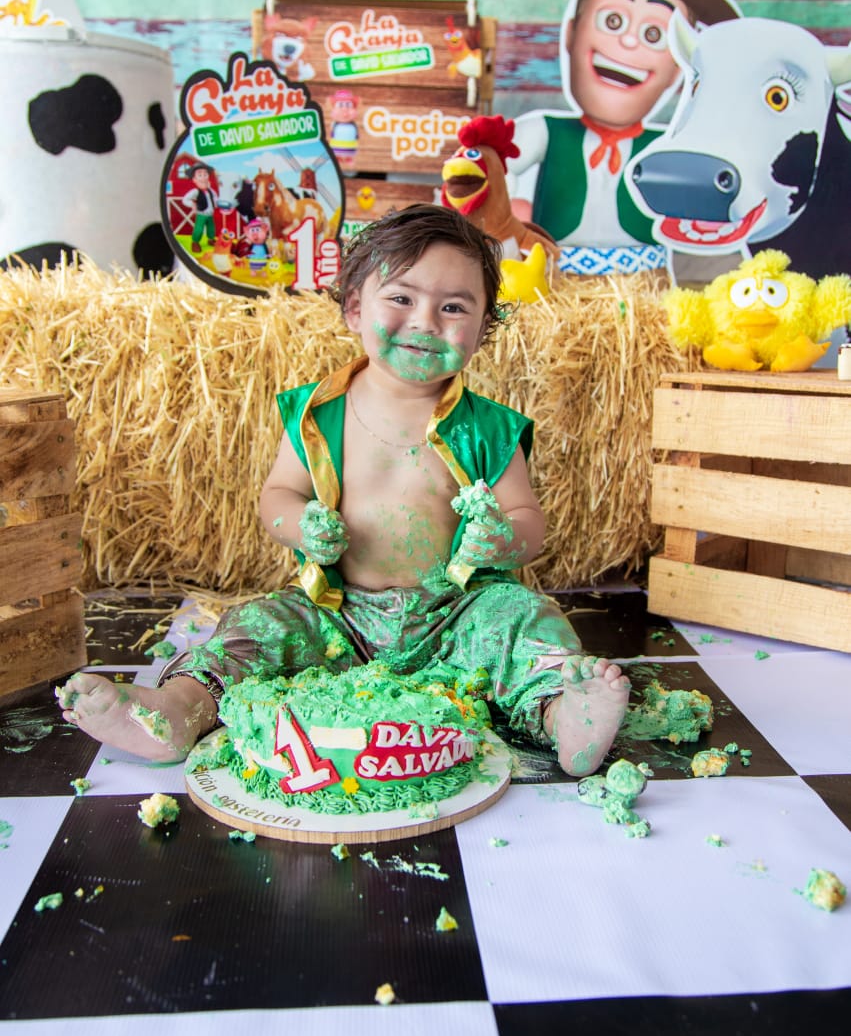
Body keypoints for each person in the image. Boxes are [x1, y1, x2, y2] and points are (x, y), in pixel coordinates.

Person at [56, 204, 630, 776]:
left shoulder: (489, 427)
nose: (426, 321)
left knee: (524, 617)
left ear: (482, 330)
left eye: (454, 307)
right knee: (257, 627)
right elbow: (277, 496)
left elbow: (527, 518)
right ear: (355, 309)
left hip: (457, 616)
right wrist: (301, 525)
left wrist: (505, 540)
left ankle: (563, 714)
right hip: (336, 616)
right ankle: (177, 710)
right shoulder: (319, 413)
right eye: (401, 298)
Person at [507, 0, 739, 275]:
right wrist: (505, 210)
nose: (629, 41)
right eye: (612, 21)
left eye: (653, 34)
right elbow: (492, 163)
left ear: (678, 69)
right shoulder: (547, 131)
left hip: (644, 284)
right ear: (571, 33)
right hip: (556, 282)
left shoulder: (668, 147)